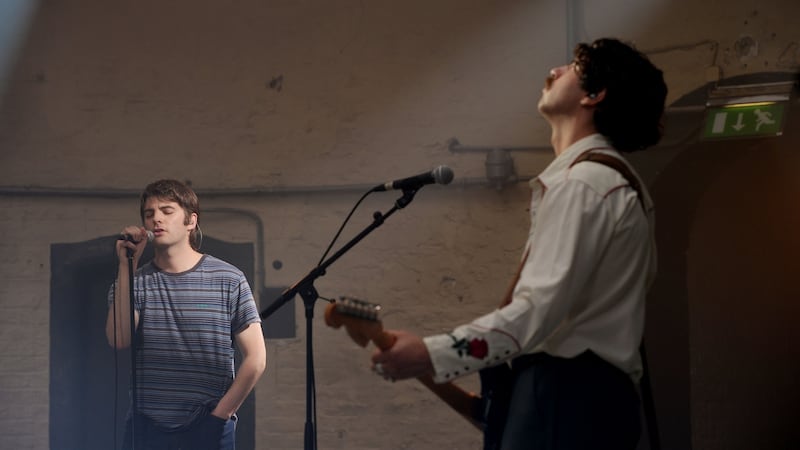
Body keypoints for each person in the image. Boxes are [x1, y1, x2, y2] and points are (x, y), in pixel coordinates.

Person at [370, 38, 667, 450]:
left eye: (572, 66)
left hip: (567, 396)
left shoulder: (582, 184)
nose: (554, 71)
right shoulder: (611, 183)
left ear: (594, 95)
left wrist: (434, 354)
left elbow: (534, 313)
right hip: (586, 399)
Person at [106, 179, 267, 450]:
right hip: (147, 427)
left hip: (209, 424)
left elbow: (256, 358)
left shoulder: (228, 279)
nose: (156, 218)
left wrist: (220, 415)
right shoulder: (135, 282)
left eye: (167, 211)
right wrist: (126, 267)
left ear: (191, 221)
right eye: (149, 214)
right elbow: (119, 339)